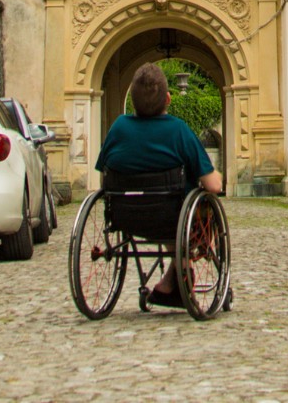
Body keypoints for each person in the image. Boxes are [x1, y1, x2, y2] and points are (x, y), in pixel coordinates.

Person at [93, 64, 222, 307]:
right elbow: (213, 185)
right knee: (200, 204)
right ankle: (181, 270)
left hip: (125, 216)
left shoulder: (119, 127)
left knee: (168, 209)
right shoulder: (178, 130)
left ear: (131, 100)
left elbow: (103, 171)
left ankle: (171, 280)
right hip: (172, 217)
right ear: (168, 99)